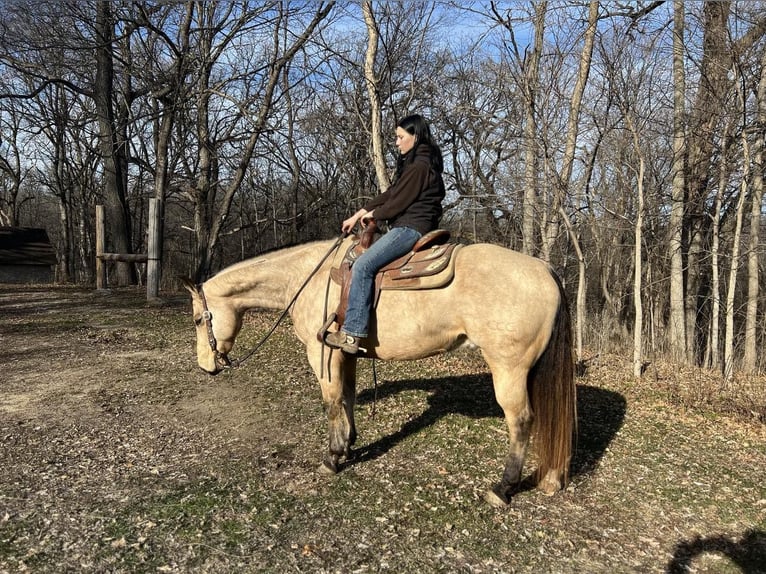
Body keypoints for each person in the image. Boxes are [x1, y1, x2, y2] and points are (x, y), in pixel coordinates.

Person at [325, 113, 446, 354]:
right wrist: (358, 213)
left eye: (401, 137)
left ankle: (352, 334)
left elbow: (398, 202)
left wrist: (375, 216)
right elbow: (390, 194)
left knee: (363, 265)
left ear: (416, 136)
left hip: (410, 228)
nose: (397, 142)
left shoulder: (419, 167)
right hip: (411, 224)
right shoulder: (417, 164)